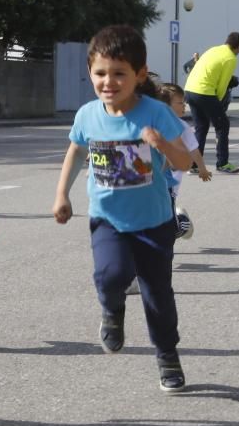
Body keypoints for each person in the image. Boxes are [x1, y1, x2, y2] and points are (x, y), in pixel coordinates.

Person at [52, 24, 192, 393]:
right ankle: (112, 310)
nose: (108, 81)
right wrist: (61, 194)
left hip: (154, 222)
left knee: (157, 294)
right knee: (110, 276)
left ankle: (167, 355)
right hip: (108, 219)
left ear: (140, 74)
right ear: (90, 74)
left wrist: (161, 143)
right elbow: (77, 151)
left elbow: (183, 163)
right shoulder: (87, 115)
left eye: (119, 73)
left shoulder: (156, 114)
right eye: (100, 73)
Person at [183, 32, 239, 174]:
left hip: (190, 89)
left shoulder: (213, 49)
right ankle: (222, 163)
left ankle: (194, 164)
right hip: (205, 92)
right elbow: (223, 84)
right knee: (222, 124)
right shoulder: (230, 58)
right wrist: (219, 103)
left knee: (201, 126)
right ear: (237, 47)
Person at [161, 83, 212, 238]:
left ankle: (183, 221)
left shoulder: (182, 127)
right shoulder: (152, 123)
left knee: (172, 229)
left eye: (184, 102)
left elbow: (194, 150)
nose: (184, 106)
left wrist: (202, 168)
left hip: (171, 183)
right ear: (165, 106)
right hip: (150, 181)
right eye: (180, 103)